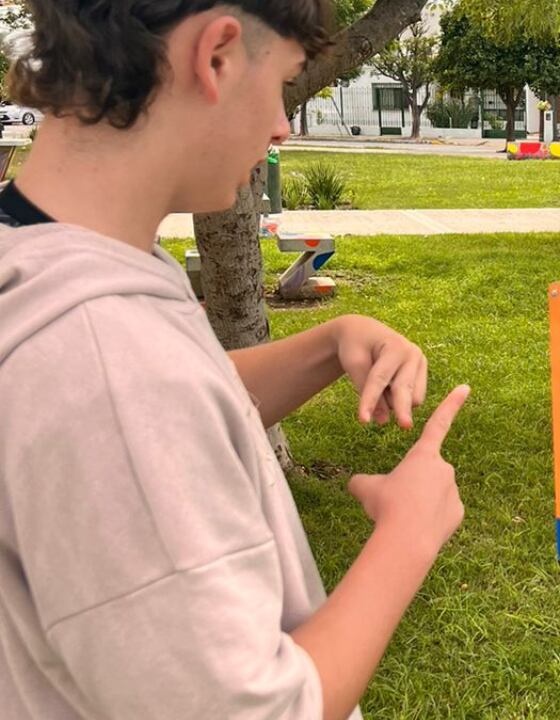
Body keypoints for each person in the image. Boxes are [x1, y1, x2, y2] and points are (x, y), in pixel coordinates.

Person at [0, 2, 469, 718]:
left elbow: (175, 410)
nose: (282, 124)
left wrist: (325, 342)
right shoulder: (102, 363)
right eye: (283, 80)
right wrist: (408, 533)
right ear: (216, 54)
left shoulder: (52, 256)